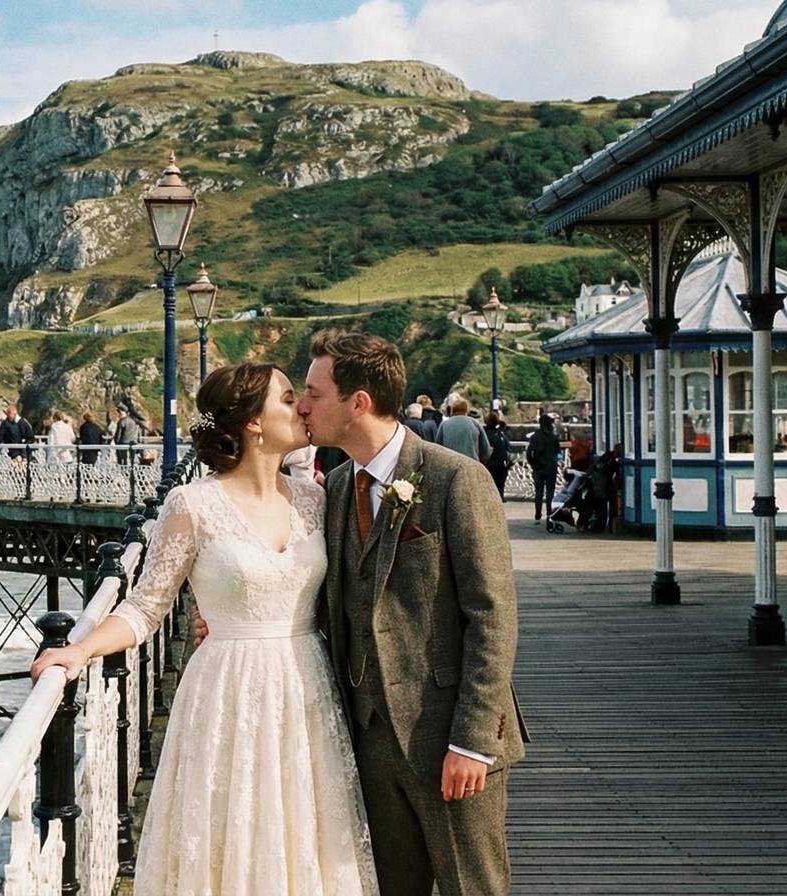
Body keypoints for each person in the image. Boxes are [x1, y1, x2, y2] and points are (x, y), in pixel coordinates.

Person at [193, 332, 527, 893]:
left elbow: (492, 617)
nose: (302, 406)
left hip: (449, 738)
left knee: (474, 887)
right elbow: (326, 596)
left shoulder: (456, 480)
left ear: (359, 403)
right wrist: (230, 616)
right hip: (365, 740)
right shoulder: (335, 489)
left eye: (314, 393)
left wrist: (472, 741)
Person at [31, 362, 376, 894]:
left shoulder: (317, 498)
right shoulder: (192, 505)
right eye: (289, 399)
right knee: (228, 832)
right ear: (253, 423)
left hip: (305, 687)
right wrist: (79, 650)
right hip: (227, 692)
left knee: (301, 833)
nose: (303, 407)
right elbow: (145, 608)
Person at [438, 393, 493, 466]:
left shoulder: (444, 425)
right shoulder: (475, 423)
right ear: (466, 410)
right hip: (471, 465)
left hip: (450, 465)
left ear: (452, 410)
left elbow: (438, 448)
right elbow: (486, 450)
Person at [526, 414, 561, 522]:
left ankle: (537, 515)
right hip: (551, 467)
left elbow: (529, 453)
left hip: (538, 467)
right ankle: (549, 515)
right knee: (550, 492)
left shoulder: (535, 437)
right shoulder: (553, 437)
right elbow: (557, 451)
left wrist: (532, 463)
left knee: (539, 492)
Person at [485, 408, 512, 498]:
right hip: (500, 465)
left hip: (487, 465)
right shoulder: (501, 435)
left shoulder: (484, 433)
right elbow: (507, 450)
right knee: (499, 488)